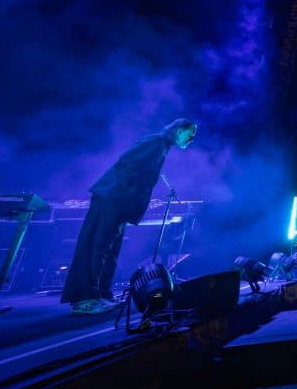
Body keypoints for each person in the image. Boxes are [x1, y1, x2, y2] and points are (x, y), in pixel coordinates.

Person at [62, 118, 197, 314]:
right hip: (111, 199)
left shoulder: (162, 146)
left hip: (118, 202)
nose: (192, 138)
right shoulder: (155, 142)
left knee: (110, 250)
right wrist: (125, 196)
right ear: (178, 130)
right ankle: (84, 300)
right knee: (96, 247)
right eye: (191, 132)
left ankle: (101, 294)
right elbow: (125, 163)